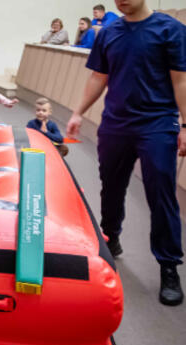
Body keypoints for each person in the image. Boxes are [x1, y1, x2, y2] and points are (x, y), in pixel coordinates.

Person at [66, 0, 186, 306]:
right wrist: (78, 112)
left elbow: (180, 80)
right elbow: (98, 76)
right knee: (111, 186)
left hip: (158, 123)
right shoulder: (108, 33)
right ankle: (111, 237)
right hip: (116, 123)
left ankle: (169, 266)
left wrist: (185, 124)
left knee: (161, 194)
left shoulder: (170, 30)